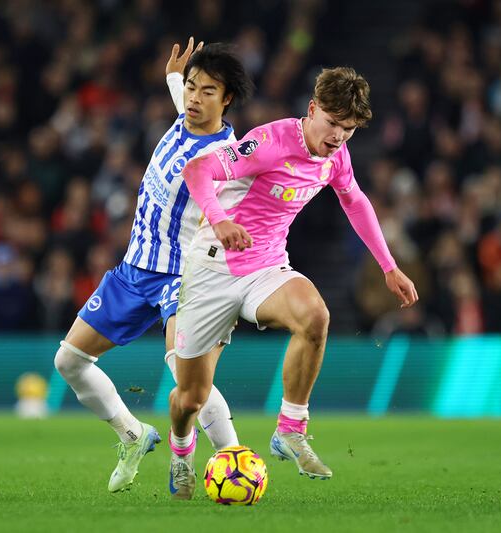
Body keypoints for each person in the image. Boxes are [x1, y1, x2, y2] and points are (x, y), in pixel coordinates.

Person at [168, 67, 418, 499]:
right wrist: (221, 220)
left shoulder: (336, 155)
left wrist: (388, 265)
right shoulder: (270, 142)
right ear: (312, 109)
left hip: (265, 268)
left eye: (349, 129)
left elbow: (354, 199)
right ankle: (181, 454)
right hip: (212, 269)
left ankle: (291, 429)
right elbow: (197, 171)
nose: (339, 136)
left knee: (315, 315)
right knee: (190, 397)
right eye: (333, 124)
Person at [53, 39, 254, 493]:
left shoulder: (229, 159)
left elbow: (239, 214)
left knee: (183, 371)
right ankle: (133, 435)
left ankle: (233, 458)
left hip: (184, 277)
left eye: (207, 91)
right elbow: (179, 92)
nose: (194, 98)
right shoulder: (184, 116)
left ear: (227, 100)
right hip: (133, 270)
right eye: (191, 87)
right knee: (69, 360)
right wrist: (172, 75)